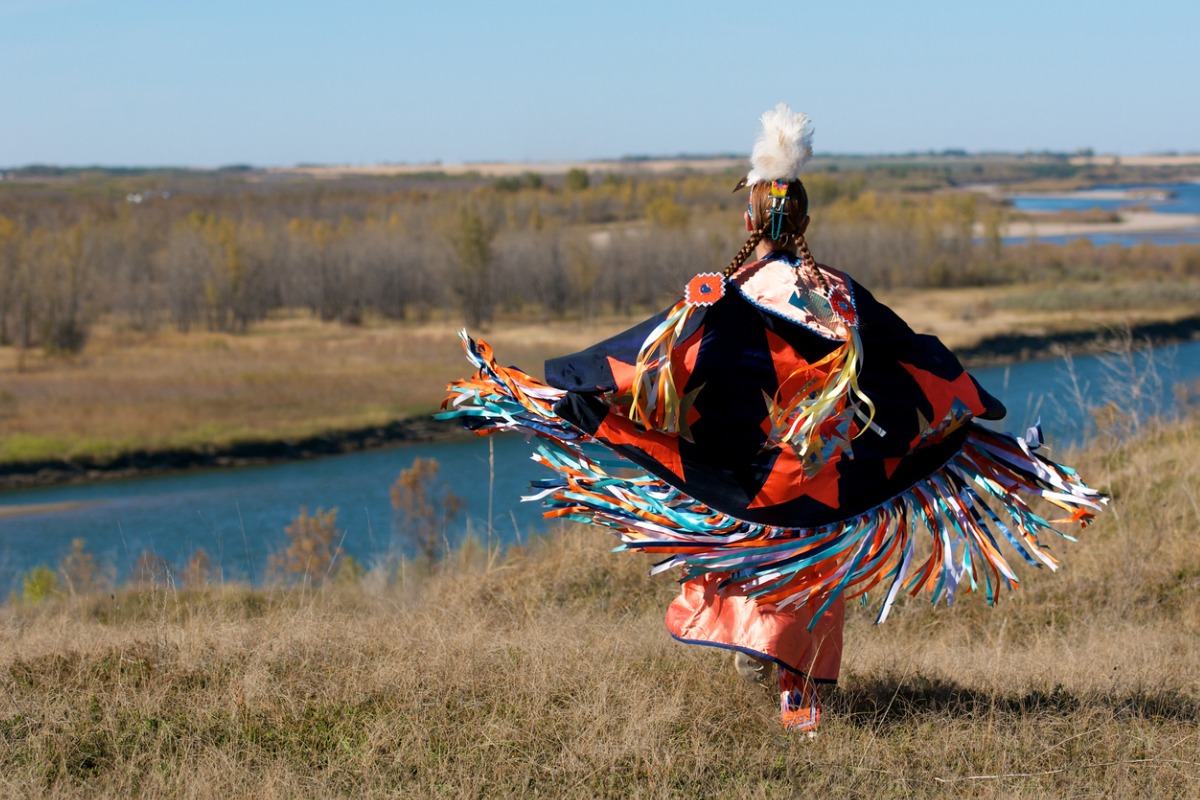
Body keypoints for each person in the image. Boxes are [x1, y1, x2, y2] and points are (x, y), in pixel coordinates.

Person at [440, 104, 1106, 734]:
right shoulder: (839, 291)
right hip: (828, 482)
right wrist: (961, 413)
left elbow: (655, 363)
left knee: (751, 556)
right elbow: (907, 360)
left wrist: (583, 390)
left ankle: (768, 666)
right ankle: (799, 690)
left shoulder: (728, 298)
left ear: (752, 217)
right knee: (809, 569)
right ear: (802, 219)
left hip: (750, 477)